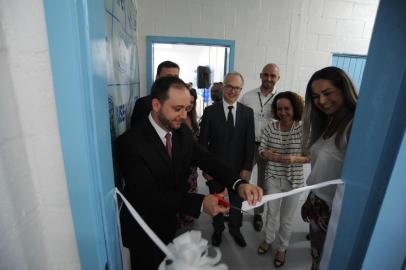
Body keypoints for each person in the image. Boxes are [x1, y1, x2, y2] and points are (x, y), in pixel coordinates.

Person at [116, 76, 262, 270]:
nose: (184, 116)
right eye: (177, 109)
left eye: (187, 108)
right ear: (156, 105)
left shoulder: (181, 133)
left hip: (170, 222)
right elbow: (147, 195)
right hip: (143, 230)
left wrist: (238, 183)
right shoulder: (131, 143)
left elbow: (208, 159)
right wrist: (200, 202)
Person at [301, 66, 357, 270]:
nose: (321, 101)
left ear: (344, 90)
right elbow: (320, 170)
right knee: (316, 258)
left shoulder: (355, 126)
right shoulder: (327, 121)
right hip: (317, 202)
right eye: (315, 96)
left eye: (327, 93)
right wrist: (310, 198)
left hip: (336, 210)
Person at [199, 72, 255, 248]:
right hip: (215, 169)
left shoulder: (247, 113)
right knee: (217, 200)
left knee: (237, 202)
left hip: (239, 170)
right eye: (229, 86)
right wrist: (205, 168)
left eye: (237, 88)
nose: (233, 91)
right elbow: (202, 144)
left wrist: (247, 167)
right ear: (223, 86)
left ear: (241, 90)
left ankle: (235, 228)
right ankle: (218, 229)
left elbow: (249, 143)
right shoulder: (210, 112)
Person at [256, 91, 309, 268]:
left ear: (295, 109)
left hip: (294, 181)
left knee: (286, 219)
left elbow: (309, 157)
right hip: (273, 177)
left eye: (287, 108)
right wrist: (266, 153)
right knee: (271, 213)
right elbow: (261, 150)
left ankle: (282, 247)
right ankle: (269, 239)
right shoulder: (270, 128)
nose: (283, 112)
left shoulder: (303, 129)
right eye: (279, 109)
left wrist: (294, 159)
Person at [240, 63, 281, 231]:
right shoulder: (248, 97)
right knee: (243, 178)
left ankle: (258, 213)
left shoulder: (280, 99)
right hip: (248, 144)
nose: (269, 78)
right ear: (260, 75)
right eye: (266, 75)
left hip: (268, 148)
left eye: (273, 76)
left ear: (278, 78)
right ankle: (240, 209)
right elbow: (240, 121)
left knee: (263, 182)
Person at [130, 60, 179, 127]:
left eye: (175, 77)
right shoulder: (143, 104)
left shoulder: (181, 104)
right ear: (157, 78)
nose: (172, 81)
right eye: (168, 77)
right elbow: (136, 133)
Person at [177, 87, 199, 229]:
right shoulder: (178, 119)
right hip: (180, 164)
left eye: (192, 102)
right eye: (187, 102)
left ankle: (188, 217)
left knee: (191, 190)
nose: (189, 105)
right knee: (180, 192)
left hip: (193, 164)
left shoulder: (193, 118)